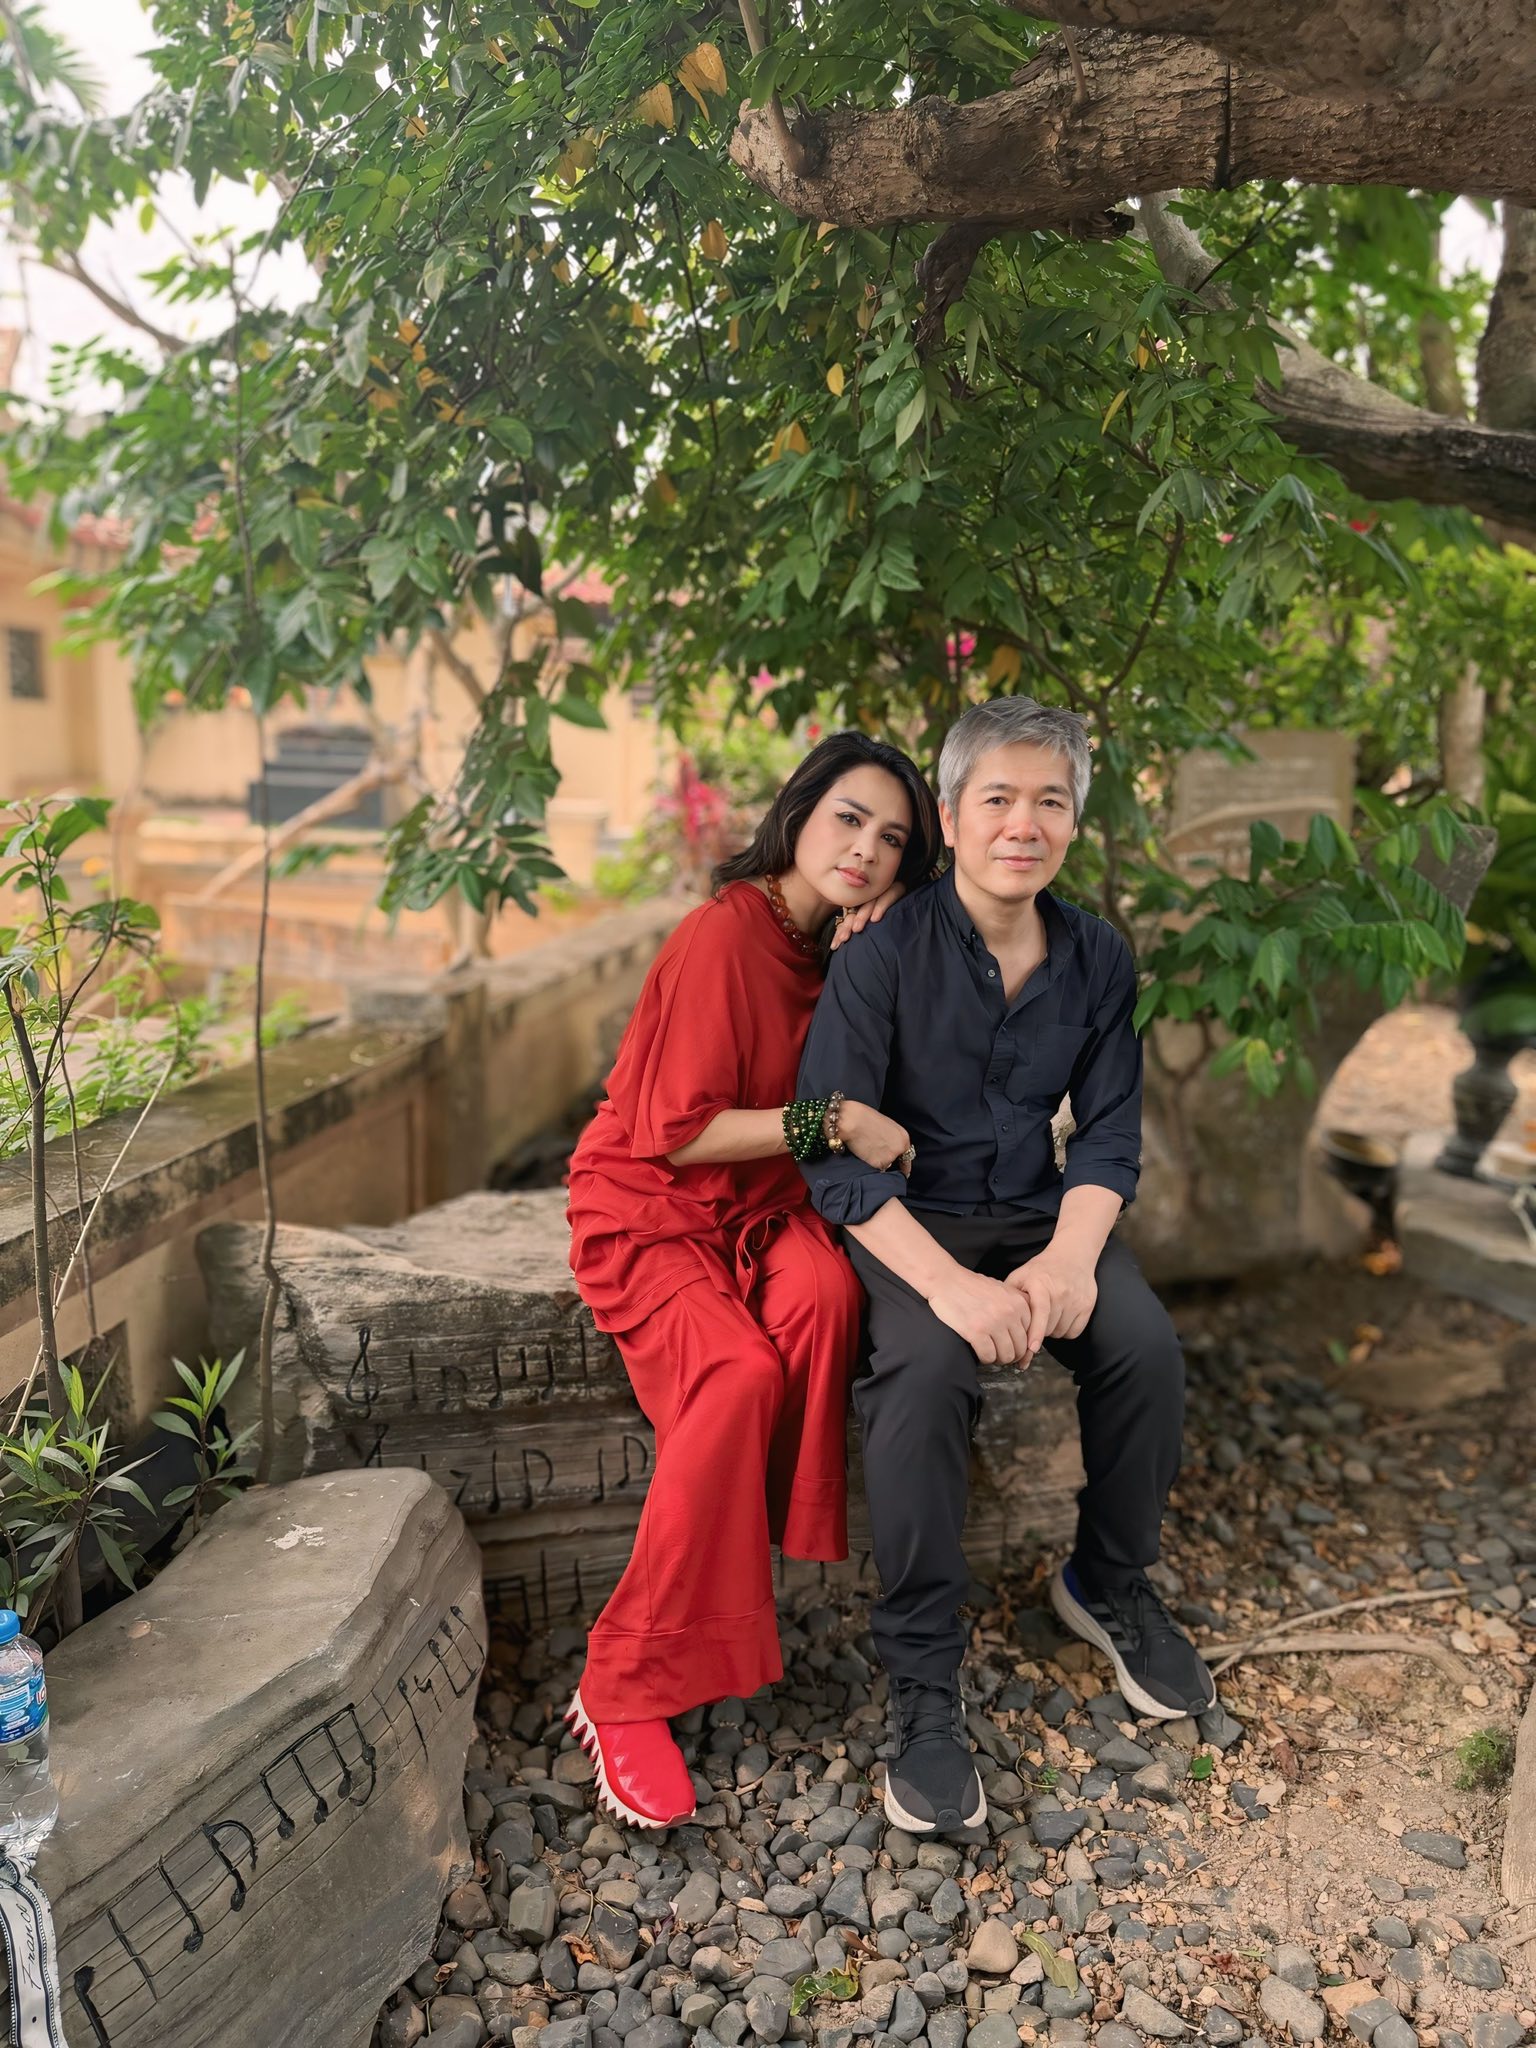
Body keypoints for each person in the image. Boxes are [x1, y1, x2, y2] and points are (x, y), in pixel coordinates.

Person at [796, 696, 1214, 1839]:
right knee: (925, 1377)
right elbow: (825, 1153)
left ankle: (1106, 1581)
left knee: (1142, 1345)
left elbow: (1110, 1133)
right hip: (911, 1226)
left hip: (1038, 1213)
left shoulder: (1098, 955)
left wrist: (1071, 1261)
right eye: (997, 798)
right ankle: (924, 1679)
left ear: (1074, 820)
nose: (1022, 824)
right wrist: (949, 1285)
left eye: (1050, 801)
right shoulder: (881, 957)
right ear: (951, 815)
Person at [564, 732, 943, 1830]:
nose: (865, 850)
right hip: (655, 1200)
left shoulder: (837, 946)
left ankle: (729, 1576)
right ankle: (623, 1681)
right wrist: (838, 1120)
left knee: (826, 1301)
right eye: (848, 820)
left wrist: (888, 935)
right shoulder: (722, 937)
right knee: (736, 1374)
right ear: (799, 812)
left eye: (892, 840)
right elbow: (677, 1134)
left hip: (762, 1205)